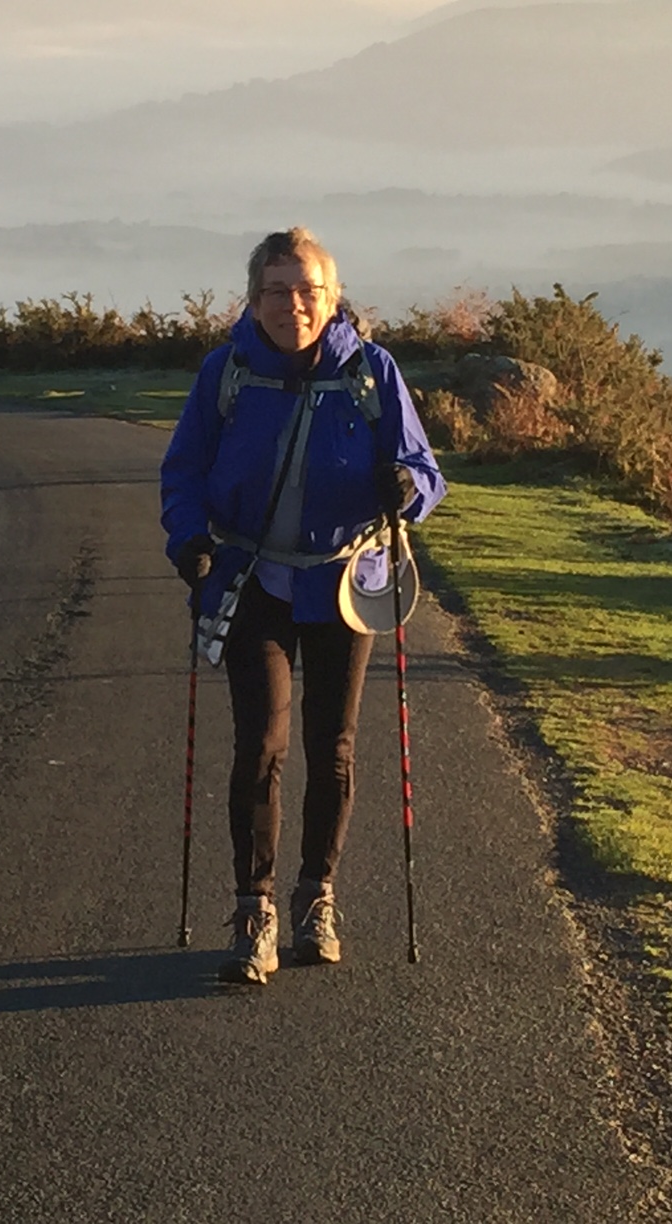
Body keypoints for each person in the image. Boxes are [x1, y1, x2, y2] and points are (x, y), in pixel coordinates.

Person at [160, 227, 445, 984]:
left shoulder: (372, 371)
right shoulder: (225, 373)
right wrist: (188, 540)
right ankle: (254, 909)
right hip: (251, 580)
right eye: (278, 290)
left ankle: (317, 894)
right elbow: (183, 470)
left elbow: (424, 469)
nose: (295, 305)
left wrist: (409, 490)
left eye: (308, 290)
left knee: (333, 744)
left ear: (333, 296)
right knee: (261, 742)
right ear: (254, 300)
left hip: (345, 583)